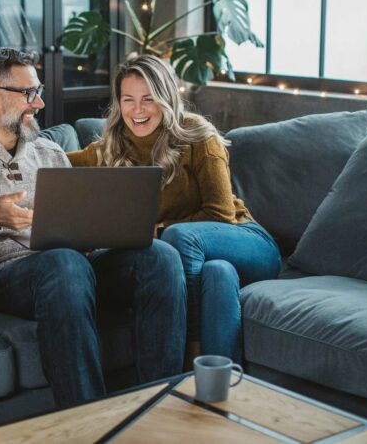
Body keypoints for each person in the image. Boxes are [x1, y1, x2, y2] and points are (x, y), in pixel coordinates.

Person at [0, 48, 186, 407]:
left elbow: (79, 228)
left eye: (38, 92)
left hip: (72, 267)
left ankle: (160, 408)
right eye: (28, 94)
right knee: (63, 263)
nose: (38, 104)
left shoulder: (50, 153)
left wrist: (110, 232)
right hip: (3, 277)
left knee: (159, 256)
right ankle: (88, 421)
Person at [67, 55, 281, 362]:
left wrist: (161, 229)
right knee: (217, 274)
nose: (137, 110)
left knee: (180, 237)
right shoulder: (110, 147)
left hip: (246, 241)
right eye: (128, 99)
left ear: (166, 98)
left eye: (148, 99)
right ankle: (220, 385)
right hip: (207, 260)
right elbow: (55, 164)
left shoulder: (197, 135)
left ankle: (187, 351)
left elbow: (221, 214)